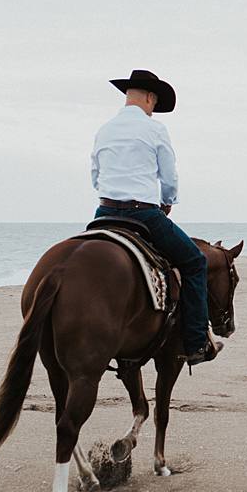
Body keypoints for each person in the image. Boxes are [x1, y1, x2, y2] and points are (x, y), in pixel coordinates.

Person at [90, 68, 222, 364]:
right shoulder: (155, 130)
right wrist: (167, 201)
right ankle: (196, 342)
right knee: (194, 262)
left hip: (104, 212)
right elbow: (169, 176)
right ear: (150, 98)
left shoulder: (105, 129)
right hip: (144, 214)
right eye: (154, 104)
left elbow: (96, 176)